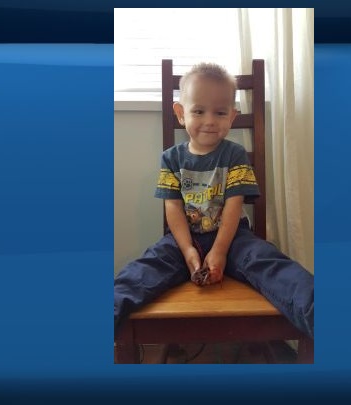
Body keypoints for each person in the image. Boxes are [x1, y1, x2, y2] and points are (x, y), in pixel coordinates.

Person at [114, 62, 314, 339]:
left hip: (233, 238)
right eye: (198, 111)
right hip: (183, 239)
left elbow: (234, 204)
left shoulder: (234, 155)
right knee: (143, 271)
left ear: (232, 117)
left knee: (270, 263)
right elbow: (173, 207)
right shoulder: (171, 159)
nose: (209, 120)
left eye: (220, 113)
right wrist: (187, 250)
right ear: (180, 113)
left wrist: (219, 250)